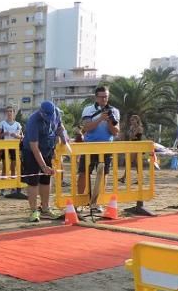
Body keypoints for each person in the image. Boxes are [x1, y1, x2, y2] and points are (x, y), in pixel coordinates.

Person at [22, 101, 70, 222]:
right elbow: (34, 147)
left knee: (46, 179)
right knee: (33, 182)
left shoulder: (57, 113)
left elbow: (60, 126)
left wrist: (64, 137)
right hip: (31, 152)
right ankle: (33, 211)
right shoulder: (33, 121)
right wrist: (43, 166)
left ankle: (45, 209)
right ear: (41, 112)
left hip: (47, 149)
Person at [78, 85, 120, 213]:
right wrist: (100, 118)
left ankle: (98, 202)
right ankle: (80, 202)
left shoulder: (114, 111)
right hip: (89, 146)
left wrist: (109, 121)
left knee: (102, 175)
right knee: (83, 174)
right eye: (101, 97)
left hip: (106, 146)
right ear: (96, 97)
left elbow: (115, 132)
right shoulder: (88, 110)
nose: (104, 99)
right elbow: (86, 127)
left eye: (106, 97)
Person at [0, 107, 25, 198]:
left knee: (13, 168)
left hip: (14, 147)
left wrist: (16, 135)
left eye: (11, 111)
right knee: (5, 167)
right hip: (5, 147)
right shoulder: (2, 123)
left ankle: (13, 187)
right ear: (6, 113)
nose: (9, 113)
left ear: (14, 113)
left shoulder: (17, 124)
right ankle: (2, 188)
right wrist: (3, 134)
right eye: (8, 111)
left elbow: (21, 136)